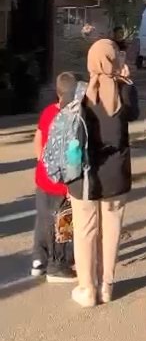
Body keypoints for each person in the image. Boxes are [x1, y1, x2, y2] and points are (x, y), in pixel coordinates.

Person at [69, 39, 139, 308]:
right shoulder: (124, 92)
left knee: (85, 230)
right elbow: (133, 115)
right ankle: (106, 285)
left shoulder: (79, 93)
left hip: (83, 174)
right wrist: (126, 81)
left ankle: (87, 288)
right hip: (116, 173)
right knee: (111, 230)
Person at [31, 72, 78, 283]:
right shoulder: (75, 116)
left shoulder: (48, 112)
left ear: (57, 92)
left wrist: (43, 163)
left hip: (43, 177)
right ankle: (58, 264)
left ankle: (38, 260)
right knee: (63, 223)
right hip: (62, 182)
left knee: (43, 219)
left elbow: (38, 141)